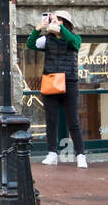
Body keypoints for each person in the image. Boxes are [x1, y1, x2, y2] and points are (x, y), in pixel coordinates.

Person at [31, 10, 86, 168]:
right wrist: (38, 28)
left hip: (70, 82)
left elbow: (74, 42)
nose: (56, 22)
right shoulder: (46, 40)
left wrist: (60, 28)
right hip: (51, 81)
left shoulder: (75, 39)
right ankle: (52, 153)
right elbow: (30, 44)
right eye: (55, 19)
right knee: (51, 120)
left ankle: (80, 155)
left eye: (60, 20)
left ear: (66, 24)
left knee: (73, 121)